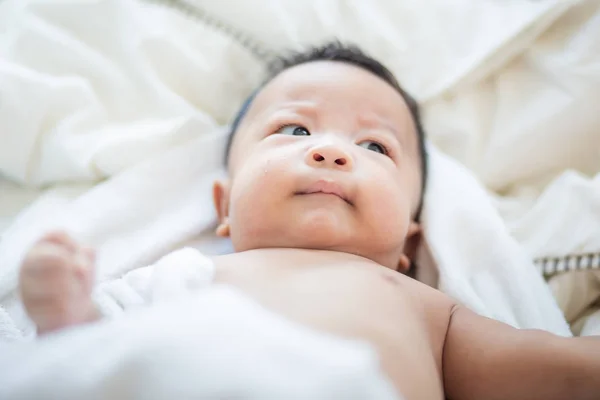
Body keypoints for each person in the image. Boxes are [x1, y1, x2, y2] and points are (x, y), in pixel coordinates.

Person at [18, 42, 600, 400]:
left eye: (375, 145)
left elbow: (546, 369)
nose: (331, 150)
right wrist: (71, 317)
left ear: (410, 241)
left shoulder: (428, 310)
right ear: (224, 208)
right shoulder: (174, 275)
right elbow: (105, 354)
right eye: (294, 130)